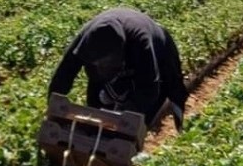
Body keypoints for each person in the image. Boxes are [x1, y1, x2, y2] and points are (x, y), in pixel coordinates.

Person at [48, 8, 188, 130]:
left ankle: (132, 150)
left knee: (136, 122)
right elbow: (63, 76)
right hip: (120, 52)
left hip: (160, 49)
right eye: (100, 65)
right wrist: (53, 113)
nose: (104, 67)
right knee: (96, 109)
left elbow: (149, 89)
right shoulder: (86, 40)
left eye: (109, 64)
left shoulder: (141, 42)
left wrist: (122, 119)